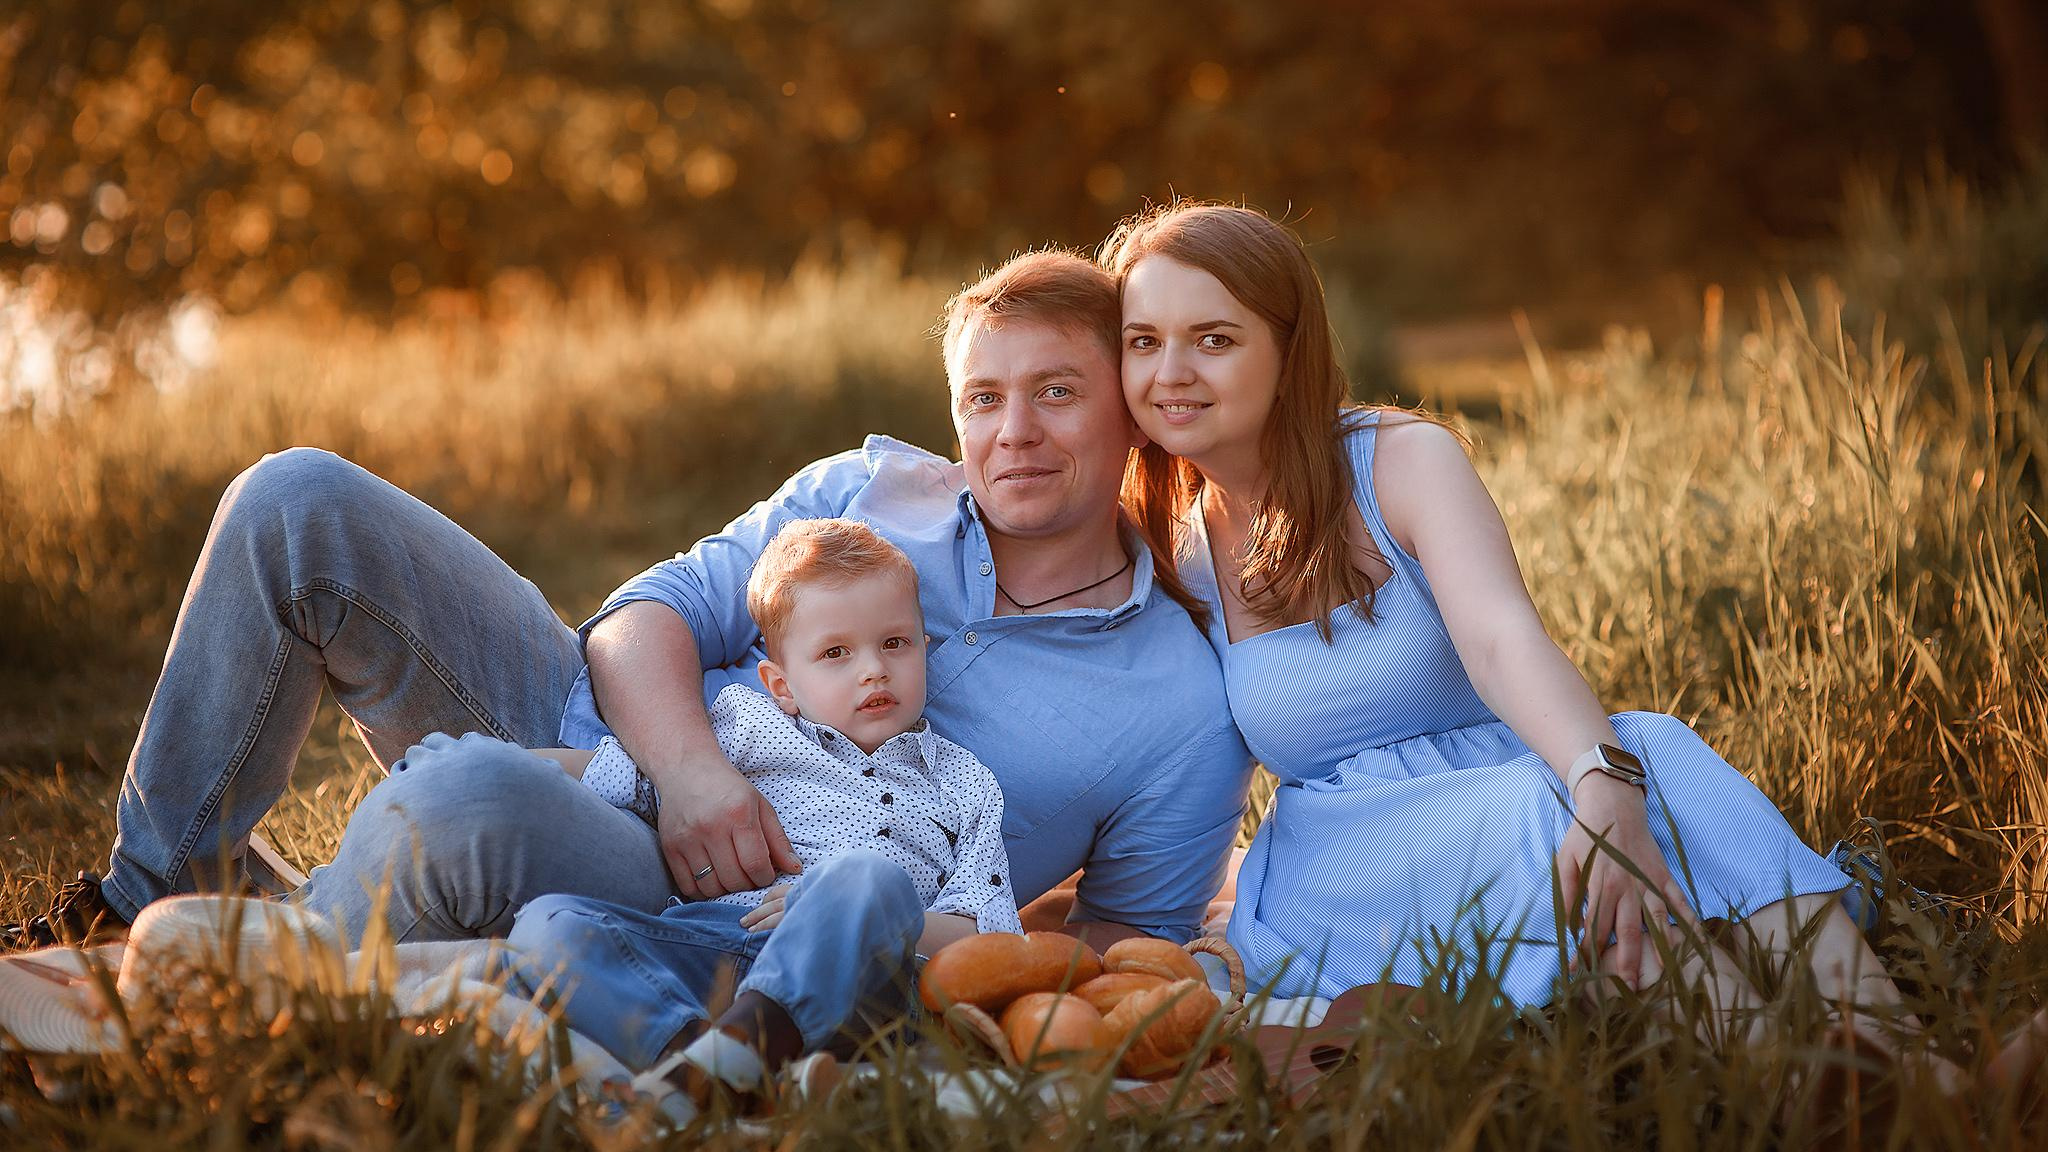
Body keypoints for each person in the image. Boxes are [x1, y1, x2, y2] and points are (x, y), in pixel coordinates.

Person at [5, 250, 1250, 957]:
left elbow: (1106, 952)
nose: (1011, 433)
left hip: (714, 900)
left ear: (1130, 409)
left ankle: (300, 954)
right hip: (603, 732)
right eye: (984, 397)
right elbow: (640, 616)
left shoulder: (1178, 701)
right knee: (297, 502)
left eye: (1055, 394)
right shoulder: (868, 488)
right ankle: (148, 898)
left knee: (470, 795)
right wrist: (695, 767)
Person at [1099, 201, 1934, 1045]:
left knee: (1649, 749)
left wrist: (1604, 785)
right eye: (1143, 341)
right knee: (1543, 810)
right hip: (1346, 864)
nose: (1171, 371)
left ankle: (1901, 1055)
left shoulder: (1398, 460)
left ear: (1288, 348)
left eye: (1214, 339)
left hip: (1497, 788)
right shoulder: (1163, 546)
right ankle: (1790, 1066)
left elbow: (1504, 642)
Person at [506, 518, 1019, 1112]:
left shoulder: (961, 782)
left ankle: (734, 1064)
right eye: (835, 653)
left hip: (865, 981)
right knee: (550, 924)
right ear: (782, 685)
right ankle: (706, 1070)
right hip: (721, 946)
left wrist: (840, 906)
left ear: (924, 650)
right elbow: (611, 771)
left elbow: (990, 937)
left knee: (867, 878)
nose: (873, 669)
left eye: (895, 644)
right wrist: (487, 759)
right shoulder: (748, 734)